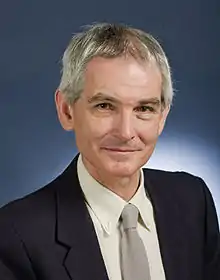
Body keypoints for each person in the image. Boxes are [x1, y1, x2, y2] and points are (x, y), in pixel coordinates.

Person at [0, 23, 219, 280]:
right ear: (66, 110)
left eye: (144, 109)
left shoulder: (194, 201)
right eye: (105, 106)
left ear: (162, 117)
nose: (126, 132)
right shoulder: (16, 233)